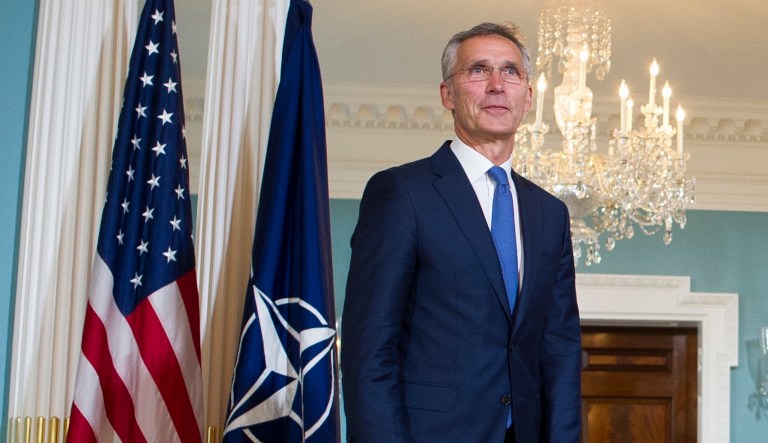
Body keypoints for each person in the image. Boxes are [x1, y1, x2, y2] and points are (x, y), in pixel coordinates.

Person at [340, 22, 581, 443]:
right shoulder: (401, 193)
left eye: (511, 72)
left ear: (527, 97)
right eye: (478, 70)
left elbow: (559, 351)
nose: (496, 85)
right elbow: (369, 352)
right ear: (447, 94)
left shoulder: (550, 214)